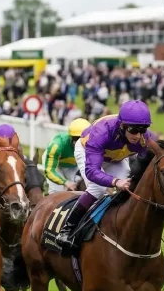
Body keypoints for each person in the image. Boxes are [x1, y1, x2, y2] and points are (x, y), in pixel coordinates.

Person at [55, 100, 154, 251]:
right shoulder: (102, 131)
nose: (138, 135)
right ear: (122, 125)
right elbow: (92, 171)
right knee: (98, 189)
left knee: (127, 186)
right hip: (87, 152)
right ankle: (67, 229)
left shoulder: (144, 137)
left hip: (116, 158)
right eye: (134, 130)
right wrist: (115, 181)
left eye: (143, 130)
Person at [43, 118, 90, 193]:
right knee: (56, 190)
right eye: (77, 140)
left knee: (80, 185)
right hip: (55, 165)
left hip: (72, 166)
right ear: (71, 137)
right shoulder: (57, 145)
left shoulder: (93, 143)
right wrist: (65, 182)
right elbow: (50, 171)